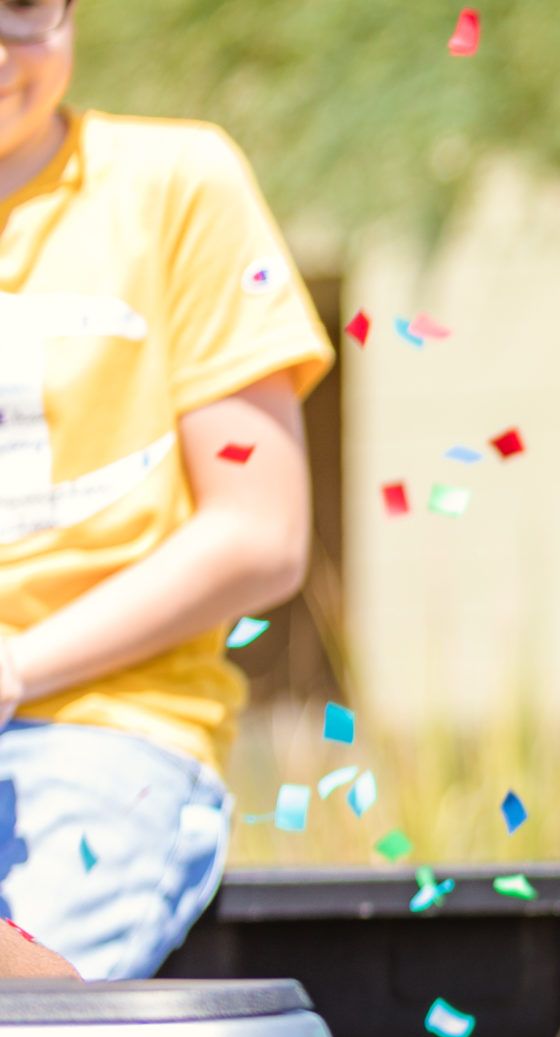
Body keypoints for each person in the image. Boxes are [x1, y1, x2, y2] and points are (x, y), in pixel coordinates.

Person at [0, 0, 334, 979]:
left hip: (101, 728)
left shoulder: (172, 184)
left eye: (24, 7)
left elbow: (261, 533)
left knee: (28, 1030)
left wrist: (16, 668)